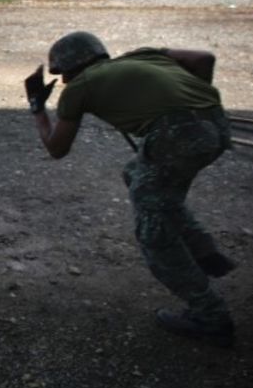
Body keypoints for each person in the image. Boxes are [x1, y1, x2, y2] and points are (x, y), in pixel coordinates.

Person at [24, 31, 237, 346]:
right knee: (137, 173)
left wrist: (38, 109)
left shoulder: (80, 87)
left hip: (176, 137)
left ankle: (210, 316)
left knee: (154, 235)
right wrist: (191, 100)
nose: (65, 81)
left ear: (70, 69)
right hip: (216, 127)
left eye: (64, 74)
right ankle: (202, 248)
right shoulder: (143, 55)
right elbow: (203, 59)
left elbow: (57, 148)